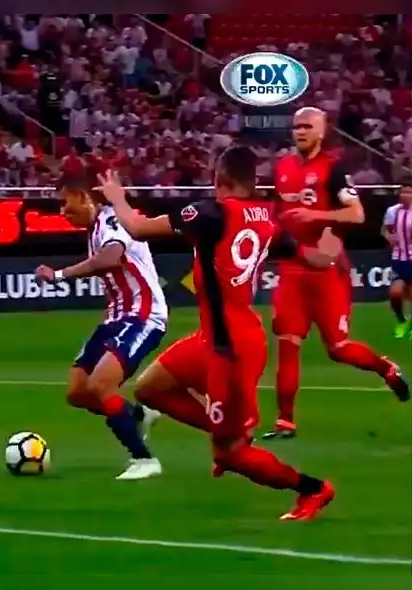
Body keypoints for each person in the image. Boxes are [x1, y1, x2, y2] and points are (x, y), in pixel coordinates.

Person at [101, 146, 338, 521]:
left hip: (231, 348)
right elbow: (310, 256)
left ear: (221, 179)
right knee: (150, 390)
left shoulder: (210, 213)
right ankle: (230, 431)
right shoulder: (266, 218)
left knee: (230, 455)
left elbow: (138, 227)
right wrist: (328, 252)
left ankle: (313, 489)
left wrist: (117, 199)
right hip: (213, 336)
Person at [266, 107, 408, 440]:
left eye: (307, 126)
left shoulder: (334, 168)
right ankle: (285, 422)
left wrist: (314, 216)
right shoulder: (282, 167)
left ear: (322, 131)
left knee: (338, 348)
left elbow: (357, 214)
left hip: (326, 269)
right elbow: (278, 212)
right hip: (292, 267)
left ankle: (386, 368)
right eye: (296, 126)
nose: (299, 131)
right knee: (288, 343)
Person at [34, 173, 165, 480]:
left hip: (143, 315)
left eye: (65, 204)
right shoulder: (94, 229)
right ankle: (137, 415)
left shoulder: (111, 222)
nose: (63, 212)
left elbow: (110, 258)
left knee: (101, 386)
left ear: (83, 197)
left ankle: (144, 460)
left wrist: (60, 275)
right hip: (117, 317)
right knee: (78, 392)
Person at [383, 179, 412, 339]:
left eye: (409, 192)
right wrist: (389, 237)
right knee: (395, 293)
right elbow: (387, 230)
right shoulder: (392, 211)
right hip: (398, 258)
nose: (405, 195)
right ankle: (402, 320)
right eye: (403, 192)